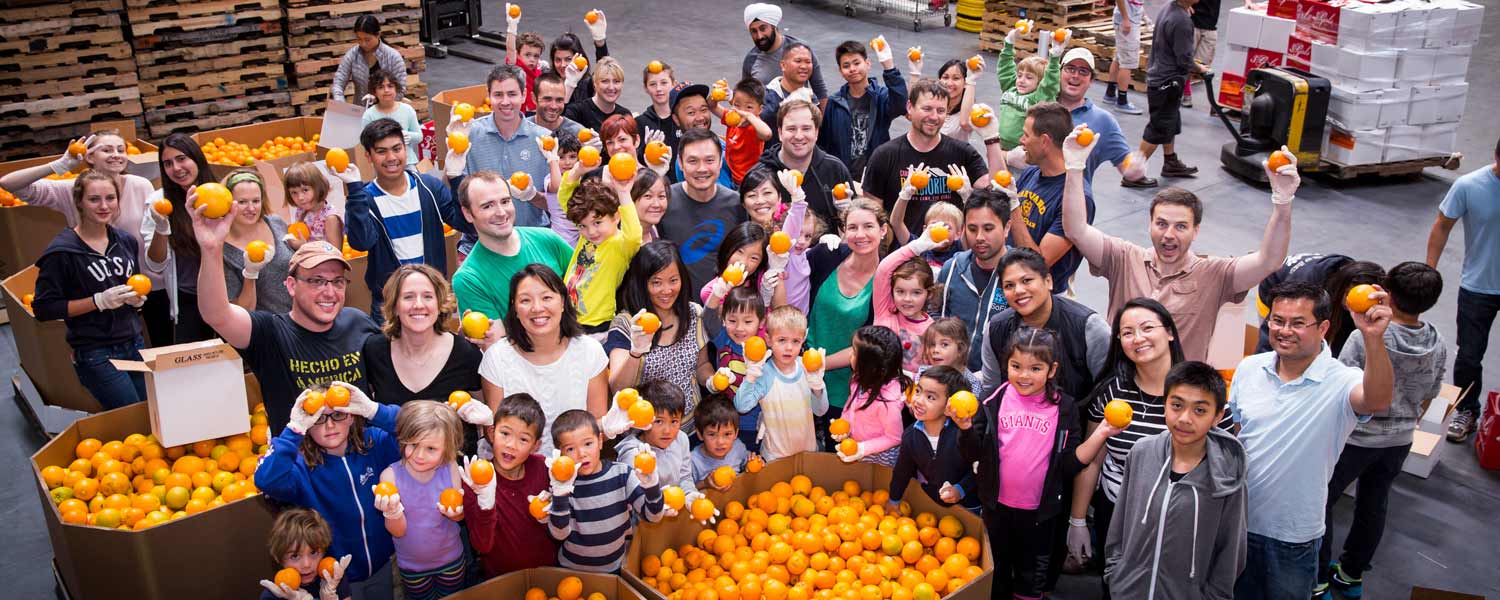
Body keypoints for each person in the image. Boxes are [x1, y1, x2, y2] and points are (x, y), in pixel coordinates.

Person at [1061, 136, 1297, 362]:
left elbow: (1269, 261)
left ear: (1196, 231)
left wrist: (1283, 201)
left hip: (1175, 396)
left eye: (1181, 226)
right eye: (1161, 224)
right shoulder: (1124, 258)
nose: (1169, 235)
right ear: (1150, 224)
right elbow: (1076, 230)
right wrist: (1074, 168)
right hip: (1119, 385)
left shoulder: (1215, 274)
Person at [1230, 281, 1393, 599]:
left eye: (1298, 323)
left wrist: (1373, 339)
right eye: (1277, 320)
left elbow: (1377, 400)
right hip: (1237, 526)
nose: (1284, 330)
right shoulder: (1249, 368)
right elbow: (1238, 435)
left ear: (1323, 328)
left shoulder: (1342, 380)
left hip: (1294, 538)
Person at [1069, 299, 1227, 592]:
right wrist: (1078, 521)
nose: (1137, 338)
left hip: (1181, 521)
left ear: (1169, 332)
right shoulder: (1112, 391)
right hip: (1117, 514)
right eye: (1127, 332)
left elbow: (1225, 466)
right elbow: (1094, 460)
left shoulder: (1200, 391)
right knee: (1117, 586)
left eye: (1147, 328)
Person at [191, 190, 380, 432]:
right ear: (291, 285)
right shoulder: (269, 333)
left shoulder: (358, 322)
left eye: (337, 282)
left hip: (358, 460)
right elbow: (216, 314)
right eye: (316, 281)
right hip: (300, 463)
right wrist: (211, 249)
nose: (329, 292)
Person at [956, 326, 1120, 599]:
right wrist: (965, 428)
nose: (1024, 375)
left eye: (1035, 368)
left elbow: (1070, 464)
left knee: (1031, 578)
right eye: (1016, 366)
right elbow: (973, 453)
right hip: (997, 509)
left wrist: (1101, 433)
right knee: (995, 571)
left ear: (1052, 370)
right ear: (1005, 365)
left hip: (1040, 514)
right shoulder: (993, 401)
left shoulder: (1065, 408)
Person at [1316, 262, 1446, 599]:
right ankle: (1350, 575)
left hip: (1356, 440)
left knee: (1321, 502)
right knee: (1374, 503)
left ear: (1386, 291)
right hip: (1400, 440)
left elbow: (1340, 386)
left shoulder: (1365, 337)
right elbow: (1432, 392)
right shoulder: (1436, 340)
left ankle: (1317, 578)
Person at [1103, 361, 1248, 599]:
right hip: (1128, 591)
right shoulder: (1142, 452)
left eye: (1200, 410)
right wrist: (1116, 573)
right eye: (1176, 405)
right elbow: (1120, 521)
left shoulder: (1227, 473)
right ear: (1165, 404)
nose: (1184, 418)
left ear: (1218, 415)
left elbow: (1232, 549)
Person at [4, 132, 159, 339]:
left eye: (121, 150)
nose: (116, 155)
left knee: (150, 342)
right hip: (95, 287)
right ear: (89, 157)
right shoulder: (72, 189)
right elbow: (9, 183)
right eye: (107, 149)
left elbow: (151, 234)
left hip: (145, 283)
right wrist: (59, 165)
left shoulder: (141, 185)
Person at [255, 382, 400, 600]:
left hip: (383, 565)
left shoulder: (374, 443)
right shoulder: (299, 467)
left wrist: (373, 410)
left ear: (351, 416)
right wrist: (293, 430)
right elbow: (266, 479)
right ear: (307, 424)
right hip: (336, 580)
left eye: (338, 415)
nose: (329, 425)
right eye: (319, 418)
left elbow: (417, 428)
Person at [33, 171, 148, 409]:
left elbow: (133, 281)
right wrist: (98, 301)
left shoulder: (126, 241)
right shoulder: (61, 252)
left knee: (150, 413)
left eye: (110, 198)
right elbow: (44, 308)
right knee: (132, 418)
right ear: (79, 203)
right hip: (96, 352)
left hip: (134, 343)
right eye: (94, 199)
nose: (104, 205)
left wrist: (136, 301)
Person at [344, 119, 471, 315]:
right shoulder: (364, 199)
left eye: (396, 149)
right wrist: (354, 191)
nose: (391, 157)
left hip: (432, 296)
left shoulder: (429, 188)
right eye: (381, 151)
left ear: (406, 149)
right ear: (368, 156)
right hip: (389, 304)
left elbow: (463, 223)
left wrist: (456, 179)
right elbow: (361, 242)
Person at [478, 265, 609, 451]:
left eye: (547, 297)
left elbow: (595, 424)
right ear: (514, 308)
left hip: (574, 467)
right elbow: (494, 432)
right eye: (525, 300)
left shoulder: (590, 351)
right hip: (517, 469)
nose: (537, 308)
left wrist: (611, 424)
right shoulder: (497, 357)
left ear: (563, 302)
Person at [782, 199, 886, 433]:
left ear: (884, 229)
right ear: (842, 230)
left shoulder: (886, 279)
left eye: (868, 226)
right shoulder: (825, 256)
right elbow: (788, 266)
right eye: (852, 227)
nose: (860, 234)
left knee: (835, 452)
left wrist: (815, 366)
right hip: (796, 374)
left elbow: (870, 343)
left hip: (847, 386)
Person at [1426, 145, 1500, 442]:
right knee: (1469, 355)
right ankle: (1467, 410)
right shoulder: (1469, 186)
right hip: (1478, 287)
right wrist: (1429, 271)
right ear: (1496, 157)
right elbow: (1442, 225)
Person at [604, 242, 715, 433]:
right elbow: (619, 389)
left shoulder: (693, 313)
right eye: (656, 282)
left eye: (673, 280)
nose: (666, 290)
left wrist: (713, 380)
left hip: (689, 429)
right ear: (642, 283)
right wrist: (636, 351)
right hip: (645, 436)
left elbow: (702, 366)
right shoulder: (627, 324)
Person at [980, 248, 1111, 405]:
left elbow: (1109, 389)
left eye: (1026, 281)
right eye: (1009, 285)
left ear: (1048, 281)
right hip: (1013, 424)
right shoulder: (996, 329)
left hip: (1079, 424)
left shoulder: (1088, 326)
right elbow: (991, 392)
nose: (1019, 291)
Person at [862, 80, 992, 236]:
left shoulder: (963, 153)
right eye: (927, 109)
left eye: (941, 110)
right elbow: (873, 214)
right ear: (910, 107)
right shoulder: (884, 155)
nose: (934, 117)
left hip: (950, 254)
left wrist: (992, 138)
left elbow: (995, 187)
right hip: (903, 252)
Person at [375, 401, 475, 599]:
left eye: (430, 448)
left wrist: (456, 514)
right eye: (412, 445)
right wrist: (392, 513)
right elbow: (398, 531)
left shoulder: (450, 467)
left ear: (448, 448)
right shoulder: (390, 477)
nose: (419, 455)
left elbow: (460, 516)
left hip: (451, 560)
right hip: (412, 567)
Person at [545, 409, 665, 572]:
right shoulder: (562, 486)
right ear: (561, 454)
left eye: (588, 444)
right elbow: (558, 534)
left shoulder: (622, 474)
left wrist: (652, 485)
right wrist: (560, 496)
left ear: (600, 441)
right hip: (570, 569)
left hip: (614, 569)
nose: (581, 454)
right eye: (570, 449)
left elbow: (653, 516)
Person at [450, 171, 573, 323]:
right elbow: (496, 341)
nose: (501, 213)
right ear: (468, 213)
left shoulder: (548, 239)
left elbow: (587, 287)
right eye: (488, 206)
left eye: (505, 201)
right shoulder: (469, 279)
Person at [461, 393, 559, 577]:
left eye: (523, 439)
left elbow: (560, 529)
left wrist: (555, 507)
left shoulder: (544, 468)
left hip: (547, 573)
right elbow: (481, 545)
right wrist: (486, 504)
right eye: (505, 433)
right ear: (491, 433)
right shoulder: (476, 479)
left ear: (535, 446)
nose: (511, 445)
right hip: (499, 578)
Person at [361, 265, 483, 406]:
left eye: (427, 297)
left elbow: (485, 414)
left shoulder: (466, 354)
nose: (418, 305)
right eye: (408, 297)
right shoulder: (374, 350)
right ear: (394, 306)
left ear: (440, 304)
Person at [453, 65, 557, 229]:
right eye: (498, 95)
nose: (505, 102)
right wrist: (451, 168)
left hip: (531, 237)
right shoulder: (469, 134)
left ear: (523, 96)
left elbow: (558, 207)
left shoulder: (544, 139)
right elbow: (454, 193)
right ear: (489, 96)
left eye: (512, 94)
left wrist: (532, 196)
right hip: (482, 239)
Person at [1011, 103, 1095, 294]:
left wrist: (1012, 206)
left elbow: (1037, 264)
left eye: (1026, 135)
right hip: (1012, 283)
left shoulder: (1077, 199)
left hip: (1045, 297)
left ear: (1045, 141)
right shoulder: (1031, 173)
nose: (1021, 140)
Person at [144, 133, 219, 343]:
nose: (176, 168)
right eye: (168, 163)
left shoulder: (221, 193)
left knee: (238, 363)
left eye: (181, 158)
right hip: (189, 297)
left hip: (227, 293)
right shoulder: (159, 203)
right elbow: (155, 264)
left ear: (196, 158)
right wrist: (161, 227)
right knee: (195, 366)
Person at [734, 305, 829, 461]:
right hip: (775, 457)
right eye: (782, 340)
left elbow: (820, 411)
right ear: (768, 339)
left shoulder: (808, 369)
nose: (789, 347)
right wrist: (751, 376)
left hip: (807, 452)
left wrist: (817, 387)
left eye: (796, 341)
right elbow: (742, 406)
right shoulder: (764, 373)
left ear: (803, 339)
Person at [656, 128, 746, 291]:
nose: (702, 168)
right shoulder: (663, 202)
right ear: (680, 164)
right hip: (674, 305)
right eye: (693, 161)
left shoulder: (737, 204)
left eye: (709, 160)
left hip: (724, 307)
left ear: (720, 163)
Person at [933, 189, 1012, 371]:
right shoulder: (951, 268)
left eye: (988, 228)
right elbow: (935, 314)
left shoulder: (1019, 277)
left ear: (1007, 227)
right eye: (972, 228)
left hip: (999, 384)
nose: (979, 238)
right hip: (951, 379)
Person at [1051, 48, 1153, 187]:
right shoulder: (1040, 105)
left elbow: (1124, 162)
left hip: (1071, 201)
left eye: (1083, 72)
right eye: (1070, 68)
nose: (1075, 75)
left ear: (1091, 80)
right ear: (1059, 72)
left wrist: (1134, 168)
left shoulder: (1103, 121)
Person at [1254, 254, 1385, 356]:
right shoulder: (1306, 286)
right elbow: (1272, 331)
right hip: (1273, 285)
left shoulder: (1360, 287)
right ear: (1341, 287)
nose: (1350, 303)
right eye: (1347, 295)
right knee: (1286, 335)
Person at [1137, 0, 1210, 179]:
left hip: (1161, 77)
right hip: (1167, 82)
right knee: (1157, 129)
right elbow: (1184, 60)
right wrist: (1201, 69)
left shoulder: (1170, 7)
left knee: (1170, 121)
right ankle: (1133, 174)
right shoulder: (1182, 21)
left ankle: (1170, 162)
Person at [890, 365, 980, 511]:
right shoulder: (911, 435)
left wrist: (960, 489)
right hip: (934, 504)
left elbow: (979, 466)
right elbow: (902, 471)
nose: (918, 400)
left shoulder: (963, 434)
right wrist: (894, 500)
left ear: (949, 406)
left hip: (968, 506)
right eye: (918, 391)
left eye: (930, 397)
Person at [562, 169, 642, 332]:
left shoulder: (618, 244)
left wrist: (623, 193)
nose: (591, 232)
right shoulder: (587, 237)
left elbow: (634, 236)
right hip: (568, 317)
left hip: (596, 325)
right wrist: (579, 169)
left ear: (616, 216)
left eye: (597, 222)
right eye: (582, 226)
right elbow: (565, 197)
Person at [757, 98, 852, 228]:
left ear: (817, 132)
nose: (799, 136)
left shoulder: (835, 169)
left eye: (806, 128)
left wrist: (847, 212)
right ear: (779, 133)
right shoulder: (760, 173)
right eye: (791, 129)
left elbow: (854, 228)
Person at [820, 37, 908, 174]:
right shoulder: (835, 102)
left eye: (856, 63)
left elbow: (901, 105)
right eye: (846, 66)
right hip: (843, 176)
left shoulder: (881, 97)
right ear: (840, 71)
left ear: (867, 64)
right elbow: (825, 141)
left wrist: (889, 68)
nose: (852, 69)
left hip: (876, 173)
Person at [832, 326, 910, 466]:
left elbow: (894, 437)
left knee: (876, 486)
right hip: (857, 446)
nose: (850, 356)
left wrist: (862, 449)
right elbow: (851, 405)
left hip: (880, 457)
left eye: (855, 353)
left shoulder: (888, 402)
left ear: (869, 366)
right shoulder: (860, 379)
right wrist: (844, 426)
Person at [219, 170, 292, 314]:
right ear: (227, 203)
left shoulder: (276, 223)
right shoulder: (223, 251)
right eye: (242, 202)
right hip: (267, 327)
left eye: (256, 201)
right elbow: (241, 311)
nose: (251, 208)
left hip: (302, 319)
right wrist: (250, 273)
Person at [703, 286, 768, 449]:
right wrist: (718, 291)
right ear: (723, 319)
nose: (739, 328)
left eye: (748, 321)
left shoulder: (765, 351)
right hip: (723, 422)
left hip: (752, 423)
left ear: (761, 322)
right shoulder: (723, 339)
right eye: (732, 321)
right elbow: (709, 317)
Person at [874, 225, 939, 373]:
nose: (907, 299)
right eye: (900, 291)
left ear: (928, 294)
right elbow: (884, 269)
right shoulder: (886, 311)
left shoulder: (933, 330)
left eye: (916, 293)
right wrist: (915, 247)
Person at [615, 379, 697, 496]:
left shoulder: (681, 439)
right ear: (643, 420)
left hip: (675, 505)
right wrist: (658, 505)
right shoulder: (633, 453)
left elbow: (685, 477)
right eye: (658, 421)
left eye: (674, 421)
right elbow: (634, 495)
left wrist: (690, 495)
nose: (667, 431)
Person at [257, 509, 352, 600]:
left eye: (313, 552)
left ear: (324, 552)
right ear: (278, 558)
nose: (306, 564)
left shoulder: (335, 579)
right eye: (294, 556)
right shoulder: (273, 595)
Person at [996, 26, 1065, 150]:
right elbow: (1005, 70)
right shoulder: (1010, 88)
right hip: (1000, 145)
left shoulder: (1038, 99)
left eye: (1029, 77)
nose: (1022, 80)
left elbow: (1049, 85)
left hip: (1022, 151)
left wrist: (1054, 58)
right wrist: (1009, 43)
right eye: (1020, 75)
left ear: (1039, 83)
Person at [742, 3, 827, 102]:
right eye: (754, 31)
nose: (759, 36)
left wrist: (825, 117)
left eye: (763, 28)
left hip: (801, 114)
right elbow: (746, 97)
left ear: (774, 26)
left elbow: (820, 89)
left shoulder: (801, 50)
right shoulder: (751, 60)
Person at [331, 15, 406, 105]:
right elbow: (338, 82)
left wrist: (379, 102)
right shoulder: (352, 55)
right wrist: (340, 103)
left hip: (387, 111)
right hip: (361, 111)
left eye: (367, 40)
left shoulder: (393, 57)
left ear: (378, 35)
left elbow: (401, 89)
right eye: (359, 39)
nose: (363, 44)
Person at [713, 78, 772, 186]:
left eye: (749, 107)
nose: (742, 111)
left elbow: (767, 134)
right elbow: (712, 107)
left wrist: (749, 116)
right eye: (737, 105)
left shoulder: (754, 126)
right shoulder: (732, 119)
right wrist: (716, 93)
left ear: (759, 110)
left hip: (747, 181)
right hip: (731, 174)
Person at [544, 14, 610, 105]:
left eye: (568, 59)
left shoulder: (587, 83)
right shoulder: (547, 82)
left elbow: (604, 70)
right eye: (558, 60)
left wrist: (600, 41)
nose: (562, 65)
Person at [360, 70, 421, 165]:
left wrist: (407, 135)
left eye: (390, 86)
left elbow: (419, 136)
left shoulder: (407, 110)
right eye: (381, 87)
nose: (386, 90)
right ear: (374, 92)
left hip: (408, 162)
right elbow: (365, 142)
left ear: (396, 89)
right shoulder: (369, 115)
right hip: (383, 164)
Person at [691, 394, 755, 485]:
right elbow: (686, 491)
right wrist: (705, 484)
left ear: (736, 433)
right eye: (712, 434)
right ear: (700, 435)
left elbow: (746, 462)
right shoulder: (693, 462)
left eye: (727, 434)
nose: (720, 442)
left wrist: (751, 462)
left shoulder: (738, 447)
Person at [758, 42, 818, 139]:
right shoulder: (763, 97)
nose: (803, 66)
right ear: (783, 65)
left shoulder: (812, 100)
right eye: (798, 61)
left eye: (808, 62)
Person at [282, 161, 344, 250]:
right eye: (294, 192)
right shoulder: (301, 210)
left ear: (318, 187)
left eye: (305, 190)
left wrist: (305, 247)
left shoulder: (330, 218)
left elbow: (335, 252)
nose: (300, 197)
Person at [563, 57, 632, 132]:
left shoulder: (625, 115)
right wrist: (569, 85)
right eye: (605, 81)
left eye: (616, 81)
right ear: (595, 83)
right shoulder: (577, 111)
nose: (611, 87)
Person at [1104, 0, 1147, 115]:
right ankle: (1122, 101)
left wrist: (1140, 12)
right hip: (1127, 21)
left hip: (1129, 18)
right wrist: (1126, 18)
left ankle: (1110, 93)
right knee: (1127, 63)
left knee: (1119, 58)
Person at [920, 317, 982, 393]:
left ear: (960, 349)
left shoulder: (972, 383)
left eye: (944, 344)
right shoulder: (923, 373)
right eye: (932, 344)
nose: (935, 350)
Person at [501, 5, 544, 112]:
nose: (532, 59)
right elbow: (510, 49)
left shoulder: (539, 72)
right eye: (527, 55)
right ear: (518, 55)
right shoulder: (516, 67)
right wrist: (512, 26)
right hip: (519, 113)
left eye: (536, 56)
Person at [1180, 0, 1219, 111]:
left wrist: (1248, 2)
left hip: (1210, 26)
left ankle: (1182, 90)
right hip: (1193, 22)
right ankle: (1186, 94)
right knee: (1185, 60)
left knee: (1201, 65)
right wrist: (1183, 4)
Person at [636, 61, 681, 152]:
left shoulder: (684, 116)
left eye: (664, 83)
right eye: (653, 84)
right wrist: (647, 149)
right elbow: (637, 158)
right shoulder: (640, 122)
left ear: (674, 84)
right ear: (646, 88)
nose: (658, 89)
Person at [526, 73, 585, 142]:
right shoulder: (522, 130)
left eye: (559, 100)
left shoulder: (577, 133)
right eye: (547, 99)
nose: (554, 106)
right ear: (534, 98)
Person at [631, 168, 670, 244]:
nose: (656, 204)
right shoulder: (619, 239)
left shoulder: (657, 230)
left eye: (661, 196)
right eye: (648, 196)